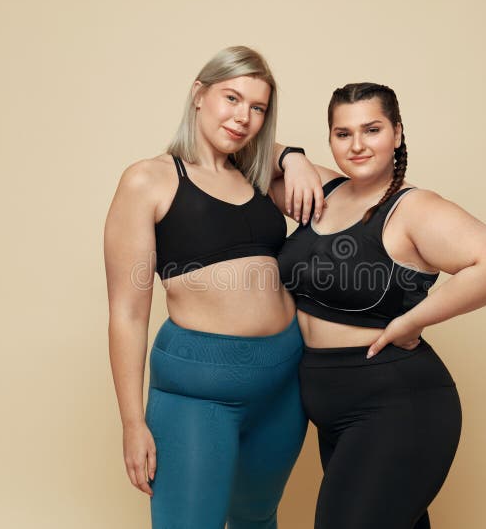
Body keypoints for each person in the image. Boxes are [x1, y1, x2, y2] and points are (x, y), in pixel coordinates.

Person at [272, 82, 486, 529]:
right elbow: (245, 152)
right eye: (342, 133)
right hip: (330, 408)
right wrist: (292, 157)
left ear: (397, 133)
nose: (357, 145)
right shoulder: (321, 190)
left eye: (372, 130)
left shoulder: (413, 208)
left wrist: (411, 320)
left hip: (396, 406)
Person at [103, 45, 324, 529]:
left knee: (257, 519)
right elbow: (128, 313)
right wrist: (132, 422)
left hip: (284, 384)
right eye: (232, 98)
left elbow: (355, 198)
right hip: (198, 391)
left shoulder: (260, 176)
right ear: (199, 95)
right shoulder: (149, 180)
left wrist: (297, 158)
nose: (244, 117)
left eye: (258, 107)